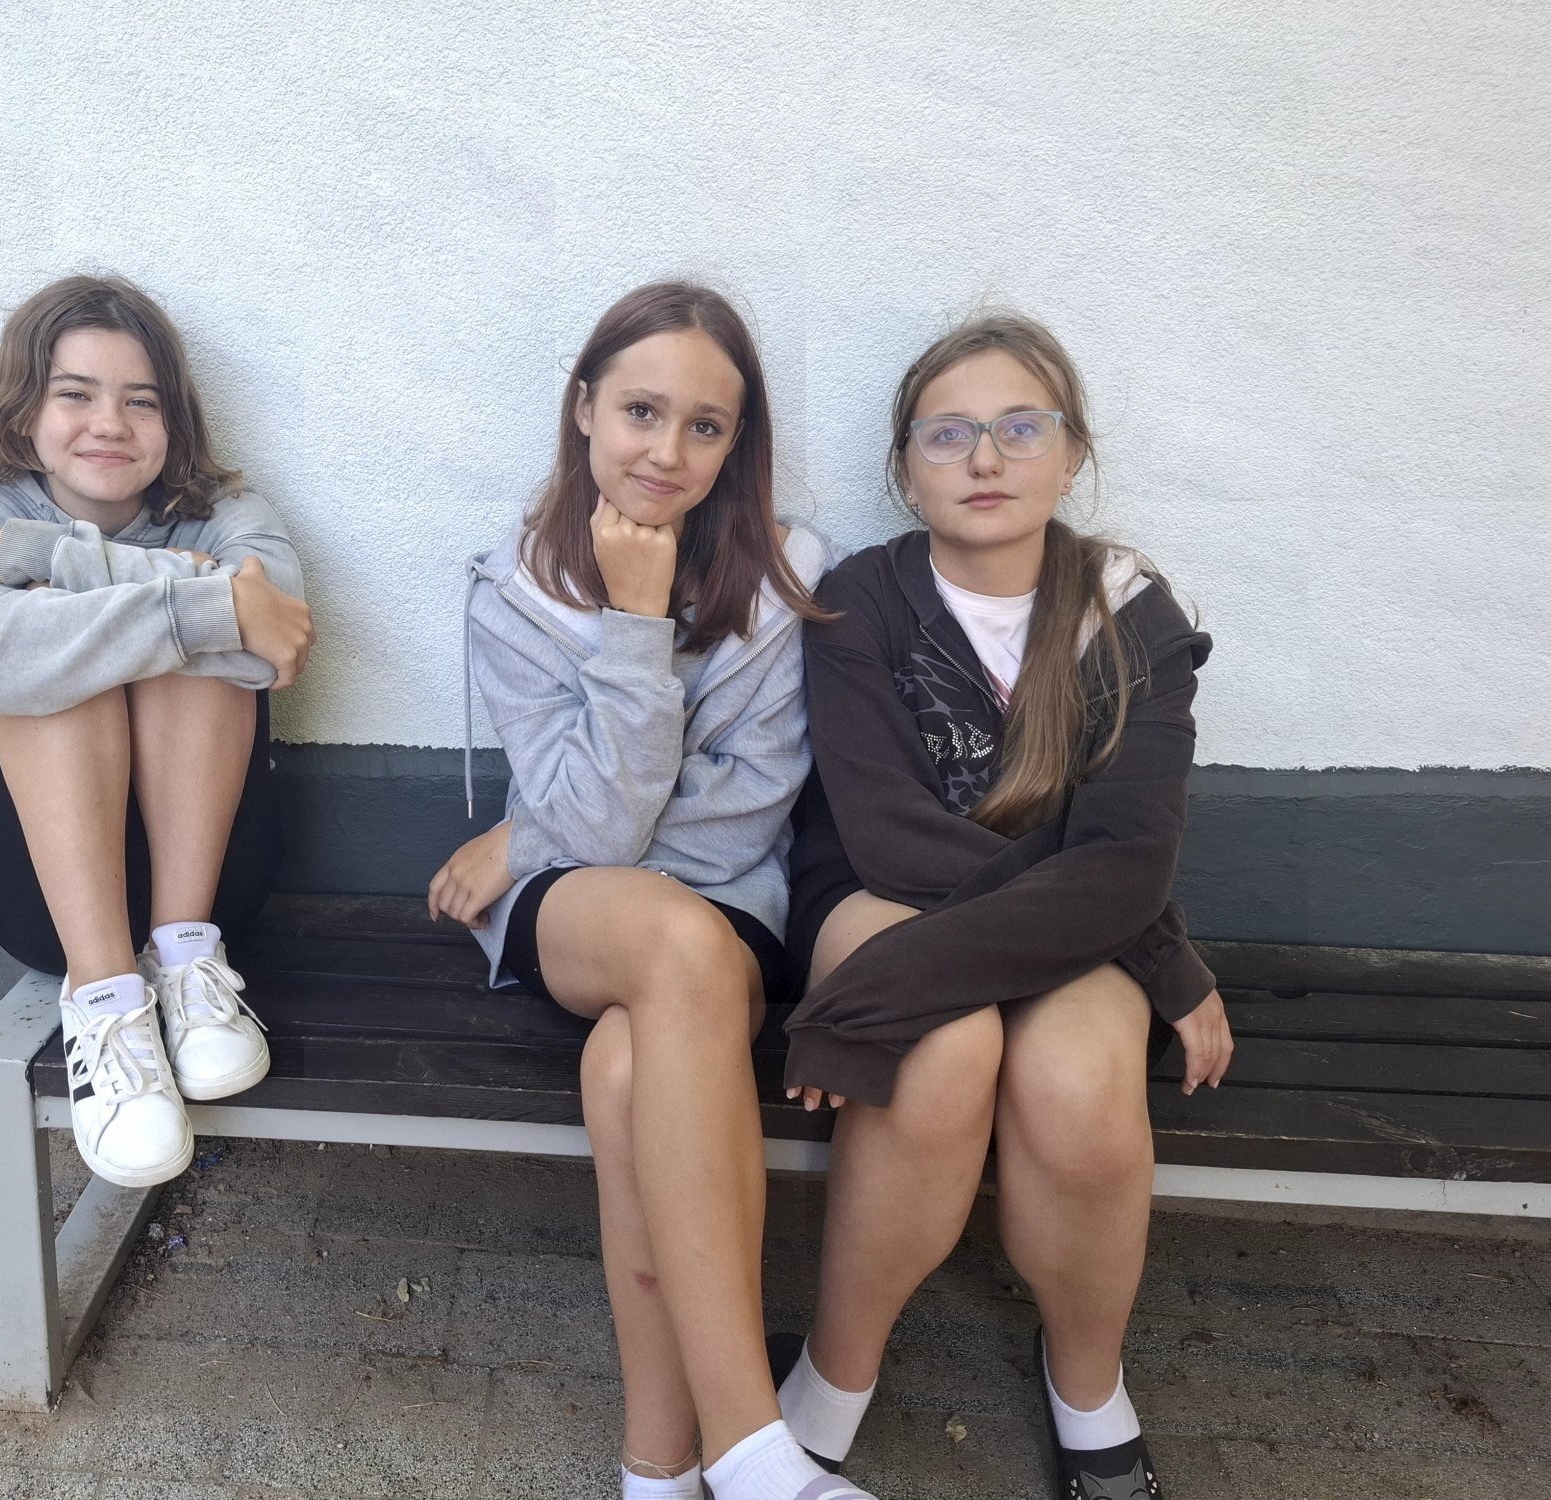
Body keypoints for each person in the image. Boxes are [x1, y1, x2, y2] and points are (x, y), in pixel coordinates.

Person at [429, 282, 874, 1500]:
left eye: (704, 425)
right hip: (577, 907)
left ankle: (658, 1468)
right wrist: (632, 628)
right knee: (669, 946)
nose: (665, 452)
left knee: (626, 1070)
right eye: (639, 410)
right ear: (582, 408)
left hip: (726, 909)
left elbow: (745, 809)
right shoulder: (514, 589)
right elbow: (592, 830)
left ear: (737, 445)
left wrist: (524, 826)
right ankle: (752, 1443)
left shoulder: (788, 581)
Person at [775, 313, 1229, 1500]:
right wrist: (1157, 950)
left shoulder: (1126, 611)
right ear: (904, 470)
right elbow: (888, 838)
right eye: (948, 434)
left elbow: (1128, 855)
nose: (984, 458)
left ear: (1070, 456)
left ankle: (1086, 1386)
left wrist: (1134, 929)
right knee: (936, 1055)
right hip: (883, 894)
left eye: (1020, 428)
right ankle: (832, 1376)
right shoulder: (859, 601)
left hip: (1081, 916)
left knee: (1077, 1087)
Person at [0, 274, 313, 1190]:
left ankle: (186, 976)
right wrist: (199, 595)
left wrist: (32, 563)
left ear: (174, 420)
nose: (110, 424)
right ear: (25, 412)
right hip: (36, 887)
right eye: (75, 394)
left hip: (214, 882)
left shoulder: (230, 512)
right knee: (68, 658)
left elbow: (280, 633)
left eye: (142, 400)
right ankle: (104, 1007)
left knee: (176, 643)